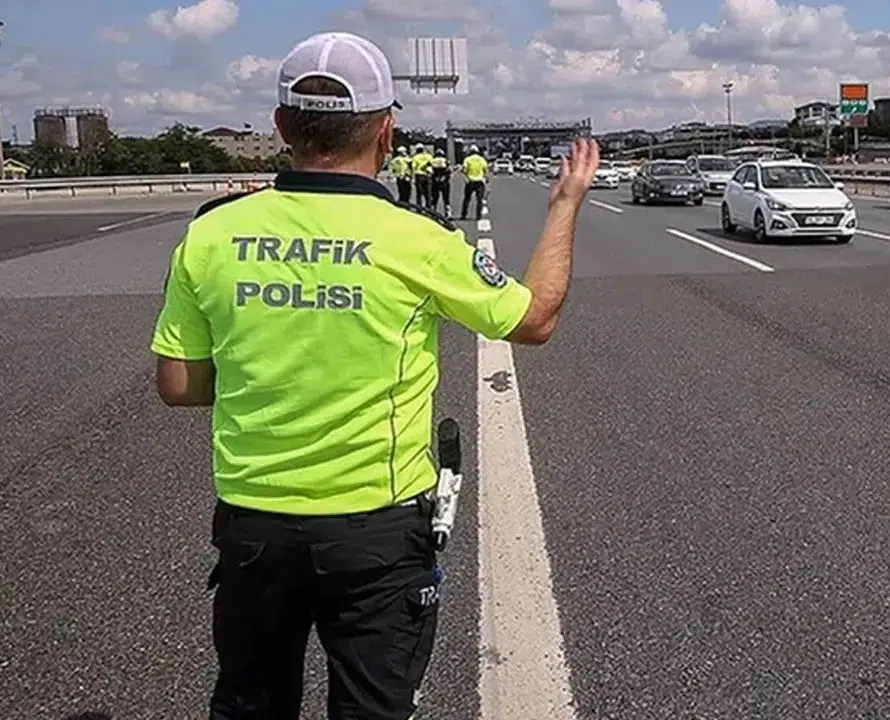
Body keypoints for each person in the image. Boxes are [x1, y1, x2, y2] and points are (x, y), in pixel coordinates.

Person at [149, 30, 599, 720]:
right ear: (387, 131)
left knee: (251, 703)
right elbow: (533, 319)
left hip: (254, 527)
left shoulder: (212, 234)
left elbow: (178, 384)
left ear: (279, 127)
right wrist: (564, 207)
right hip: (377, 530)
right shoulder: (418, 239)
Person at [460, 144, 489, 220]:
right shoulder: (482, 159)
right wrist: (486, 179)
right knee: (479, 200)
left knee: (466, 199)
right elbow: (486, 170)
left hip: (470, 181)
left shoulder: (467, 159)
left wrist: (466, 176)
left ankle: (463, 215)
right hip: (480, 182)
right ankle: (478, 216)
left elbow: (464, 170)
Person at [430, 144, 452, 217]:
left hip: (435, 181)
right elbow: (449, 170)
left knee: (434, 198)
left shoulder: (432, 161)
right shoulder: (445, 161)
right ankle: (448, 213)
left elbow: (428, 169)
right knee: (446, 198)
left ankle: (433, 212)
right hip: (444, 181)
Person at [411, 142, 433, 208]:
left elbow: (413, 167)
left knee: (419, 194)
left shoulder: (415, 157)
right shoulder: (429, 156)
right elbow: (432, 164)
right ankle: (429, 207)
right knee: (428, 193)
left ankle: (419, 208)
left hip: (419, 176)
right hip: (427, 176)